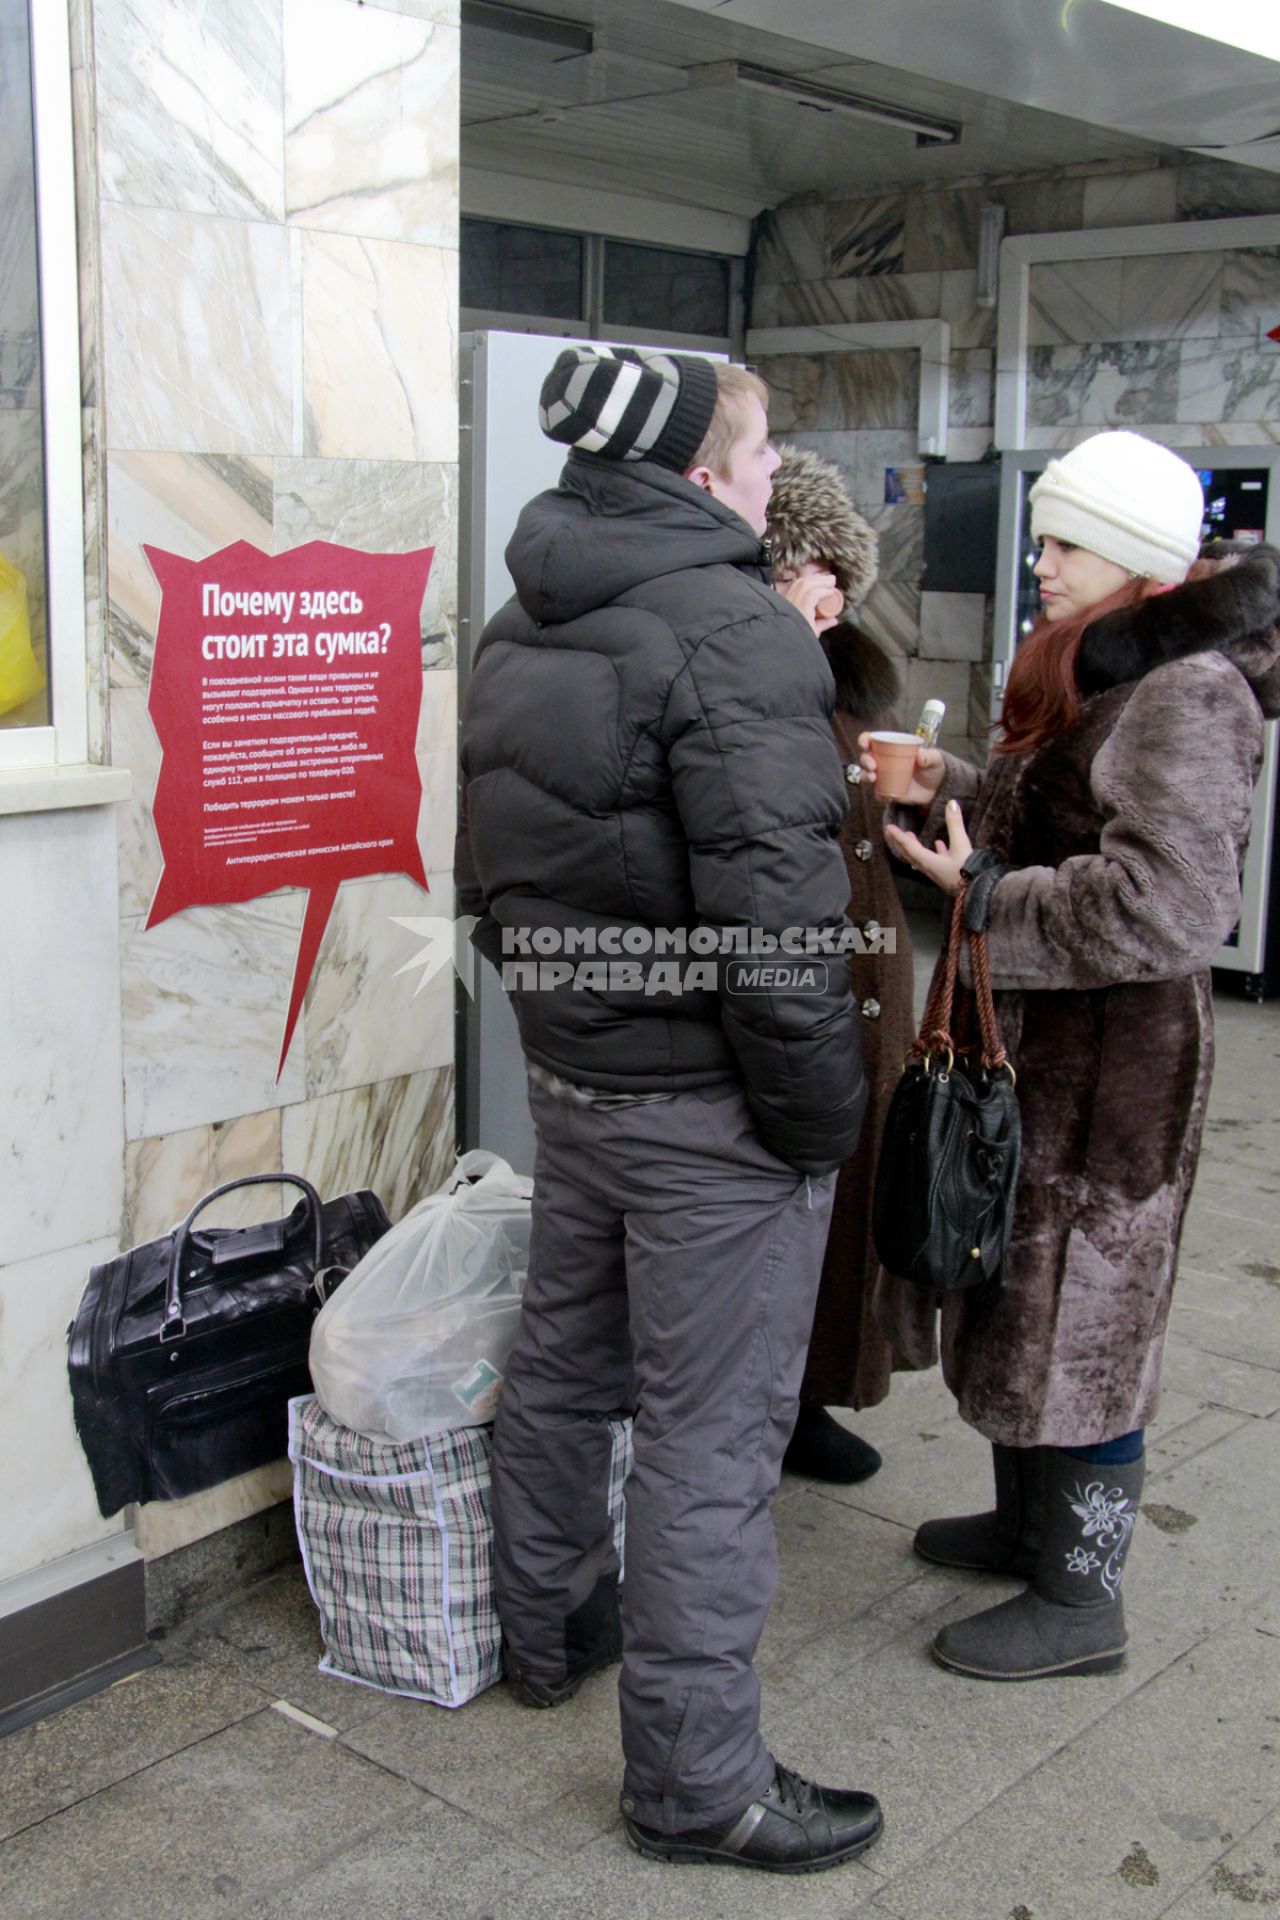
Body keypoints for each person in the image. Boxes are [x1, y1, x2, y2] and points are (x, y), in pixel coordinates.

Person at [455, 346, 883, 1870]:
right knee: (712, 1441)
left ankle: (547, 1631)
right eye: (764, 458)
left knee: (568, 1363)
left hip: (576, 1084)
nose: (776, 485)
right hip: (709, 1114)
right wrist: (819, 1127)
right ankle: (701, 1791)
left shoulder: (519, 620)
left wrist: (573, 1025)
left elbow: (492, 891)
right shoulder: (738, 635)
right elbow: (786, 939)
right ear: (700, 471)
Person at [865, 429, 1280, 1682]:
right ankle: (1024, 1528)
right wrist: (948, 781)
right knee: (1011, 1287)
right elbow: (1058, 815)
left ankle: (1082, 1600)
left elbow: (1165, 906)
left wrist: (984, 898)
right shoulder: (1100, 661)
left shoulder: (1187, 691)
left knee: (1084, 1322)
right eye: (1043, 537)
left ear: (1138, 560)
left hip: (1113, 1068)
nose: (1038, 562)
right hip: (1032, 1044)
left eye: (1062, 542)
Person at [765, 447, 915, 1483]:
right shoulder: (741, 667)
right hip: (790, 975)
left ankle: (813, 1391)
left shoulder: (847, 665)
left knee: (854, 1193)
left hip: (870, 972)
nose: (827, 584)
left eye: (835, 564)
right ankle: (763, 1402)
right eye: (805, 561)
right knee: (776, 1205)